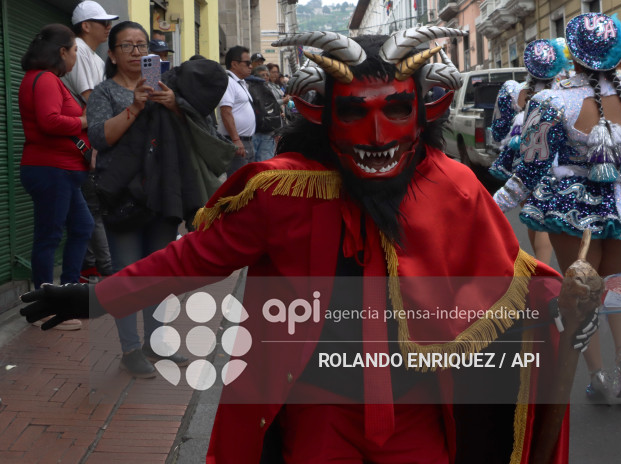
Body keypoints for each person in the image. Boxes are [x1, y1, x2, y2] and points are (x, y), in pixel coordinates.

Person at [20, 26, 588, 463]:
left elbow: (505, 278)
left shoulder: (452, 185)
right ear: (323, 114)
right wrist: (96, 300)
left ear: (421, 109)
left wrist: (564, 307)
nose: (375, 134)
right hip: (318, 407)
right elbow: (191, 258)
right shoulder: (285, 190)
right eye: (353, 111)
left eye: (395, 108)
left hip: (418, 408)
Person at [494, 13, 621, 401]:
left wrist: (490, 207)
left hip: (573, 211)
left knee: (582, 292)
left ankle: (598, 376)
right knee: (618, 283)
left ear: (574, 57)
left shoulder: (551, 101)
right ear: (618, 54)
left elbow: (528, 172)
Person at [85, 21, 192, 377]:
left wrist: (175, 104)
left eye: (141, 45)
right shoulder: (104, 93)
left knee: (159, 273)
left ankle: (157, 342)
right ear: (112, 55)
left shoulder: (166, 86)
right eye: (127, 46)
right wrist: (134, 106)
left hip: (163, 191)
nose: (136, 52)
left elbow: (194, 130)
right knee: (128, 274)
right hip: (123, 195)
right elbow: (100, 138)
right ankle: (130, 348)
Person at [18, 24, 94, 331]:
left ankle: (67, 295)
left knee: (82, 226)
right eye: (75, 50)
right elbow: (49, 121)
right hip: (51, 170)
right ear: (61, 52)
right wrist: (84, 120)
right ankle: (46, 308)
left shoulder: (47, 80)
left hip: (61, 171)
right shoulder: (45, 79)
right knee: (48, 237)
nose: (76, 56)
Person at [490, 38, 570, 264]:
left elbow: (498, 132)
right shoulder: (564, 94)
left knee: (532, 216)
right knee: (540, 217)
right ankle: (542, 271)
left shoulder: (513, 90)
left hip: (521, 162)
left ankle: (539, 269)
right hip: (552, 162)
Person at [63, 1, 118, 279]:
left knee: (93, 210)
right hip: (84, 145)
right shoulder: (78, 49)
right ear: (86, 26)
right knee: (90, 211)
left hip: (96, 141)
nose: (108, 27)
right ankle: (99, 268)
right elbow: (91, 101)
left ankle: (96, 266)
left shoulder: (95, 57)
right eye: (102, 22)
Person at [218, 45, 256, 173]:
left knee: (248, 182)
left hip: (247, 141)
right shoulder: (228, 82)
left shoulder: (240, 83)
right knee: (239, 184)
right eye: (247, 63)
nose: (251, 66)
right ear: (234, 64)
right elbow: (226, 111)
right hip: (237, 142)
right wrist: (236, 139)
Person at [246, 64, 282, 161]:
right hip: (254, 132)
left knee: (265, 163)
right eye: (263, 75)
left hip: (268, 132)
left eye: (267, 74)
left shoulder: (270, 88)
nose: (266, 77)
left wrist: (277, 131)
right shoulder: (248, 87)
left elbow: (274, 111)